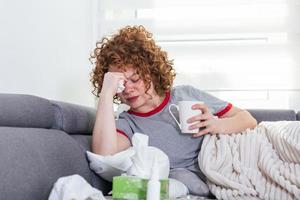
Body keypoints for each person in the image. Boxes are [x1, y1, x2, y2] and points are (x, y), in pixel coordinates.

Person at [90, 25, 257, 196]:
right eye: (120, 84)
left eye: (135, 79)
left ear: (152, 73)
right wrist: (106, 94)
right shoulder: (128, 123)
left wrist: (216, 124)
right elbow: (104, 154)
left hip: (235, 155)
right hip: (210, 177)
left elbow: (248, 120)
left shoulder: (185, 94)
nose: (128, 89)